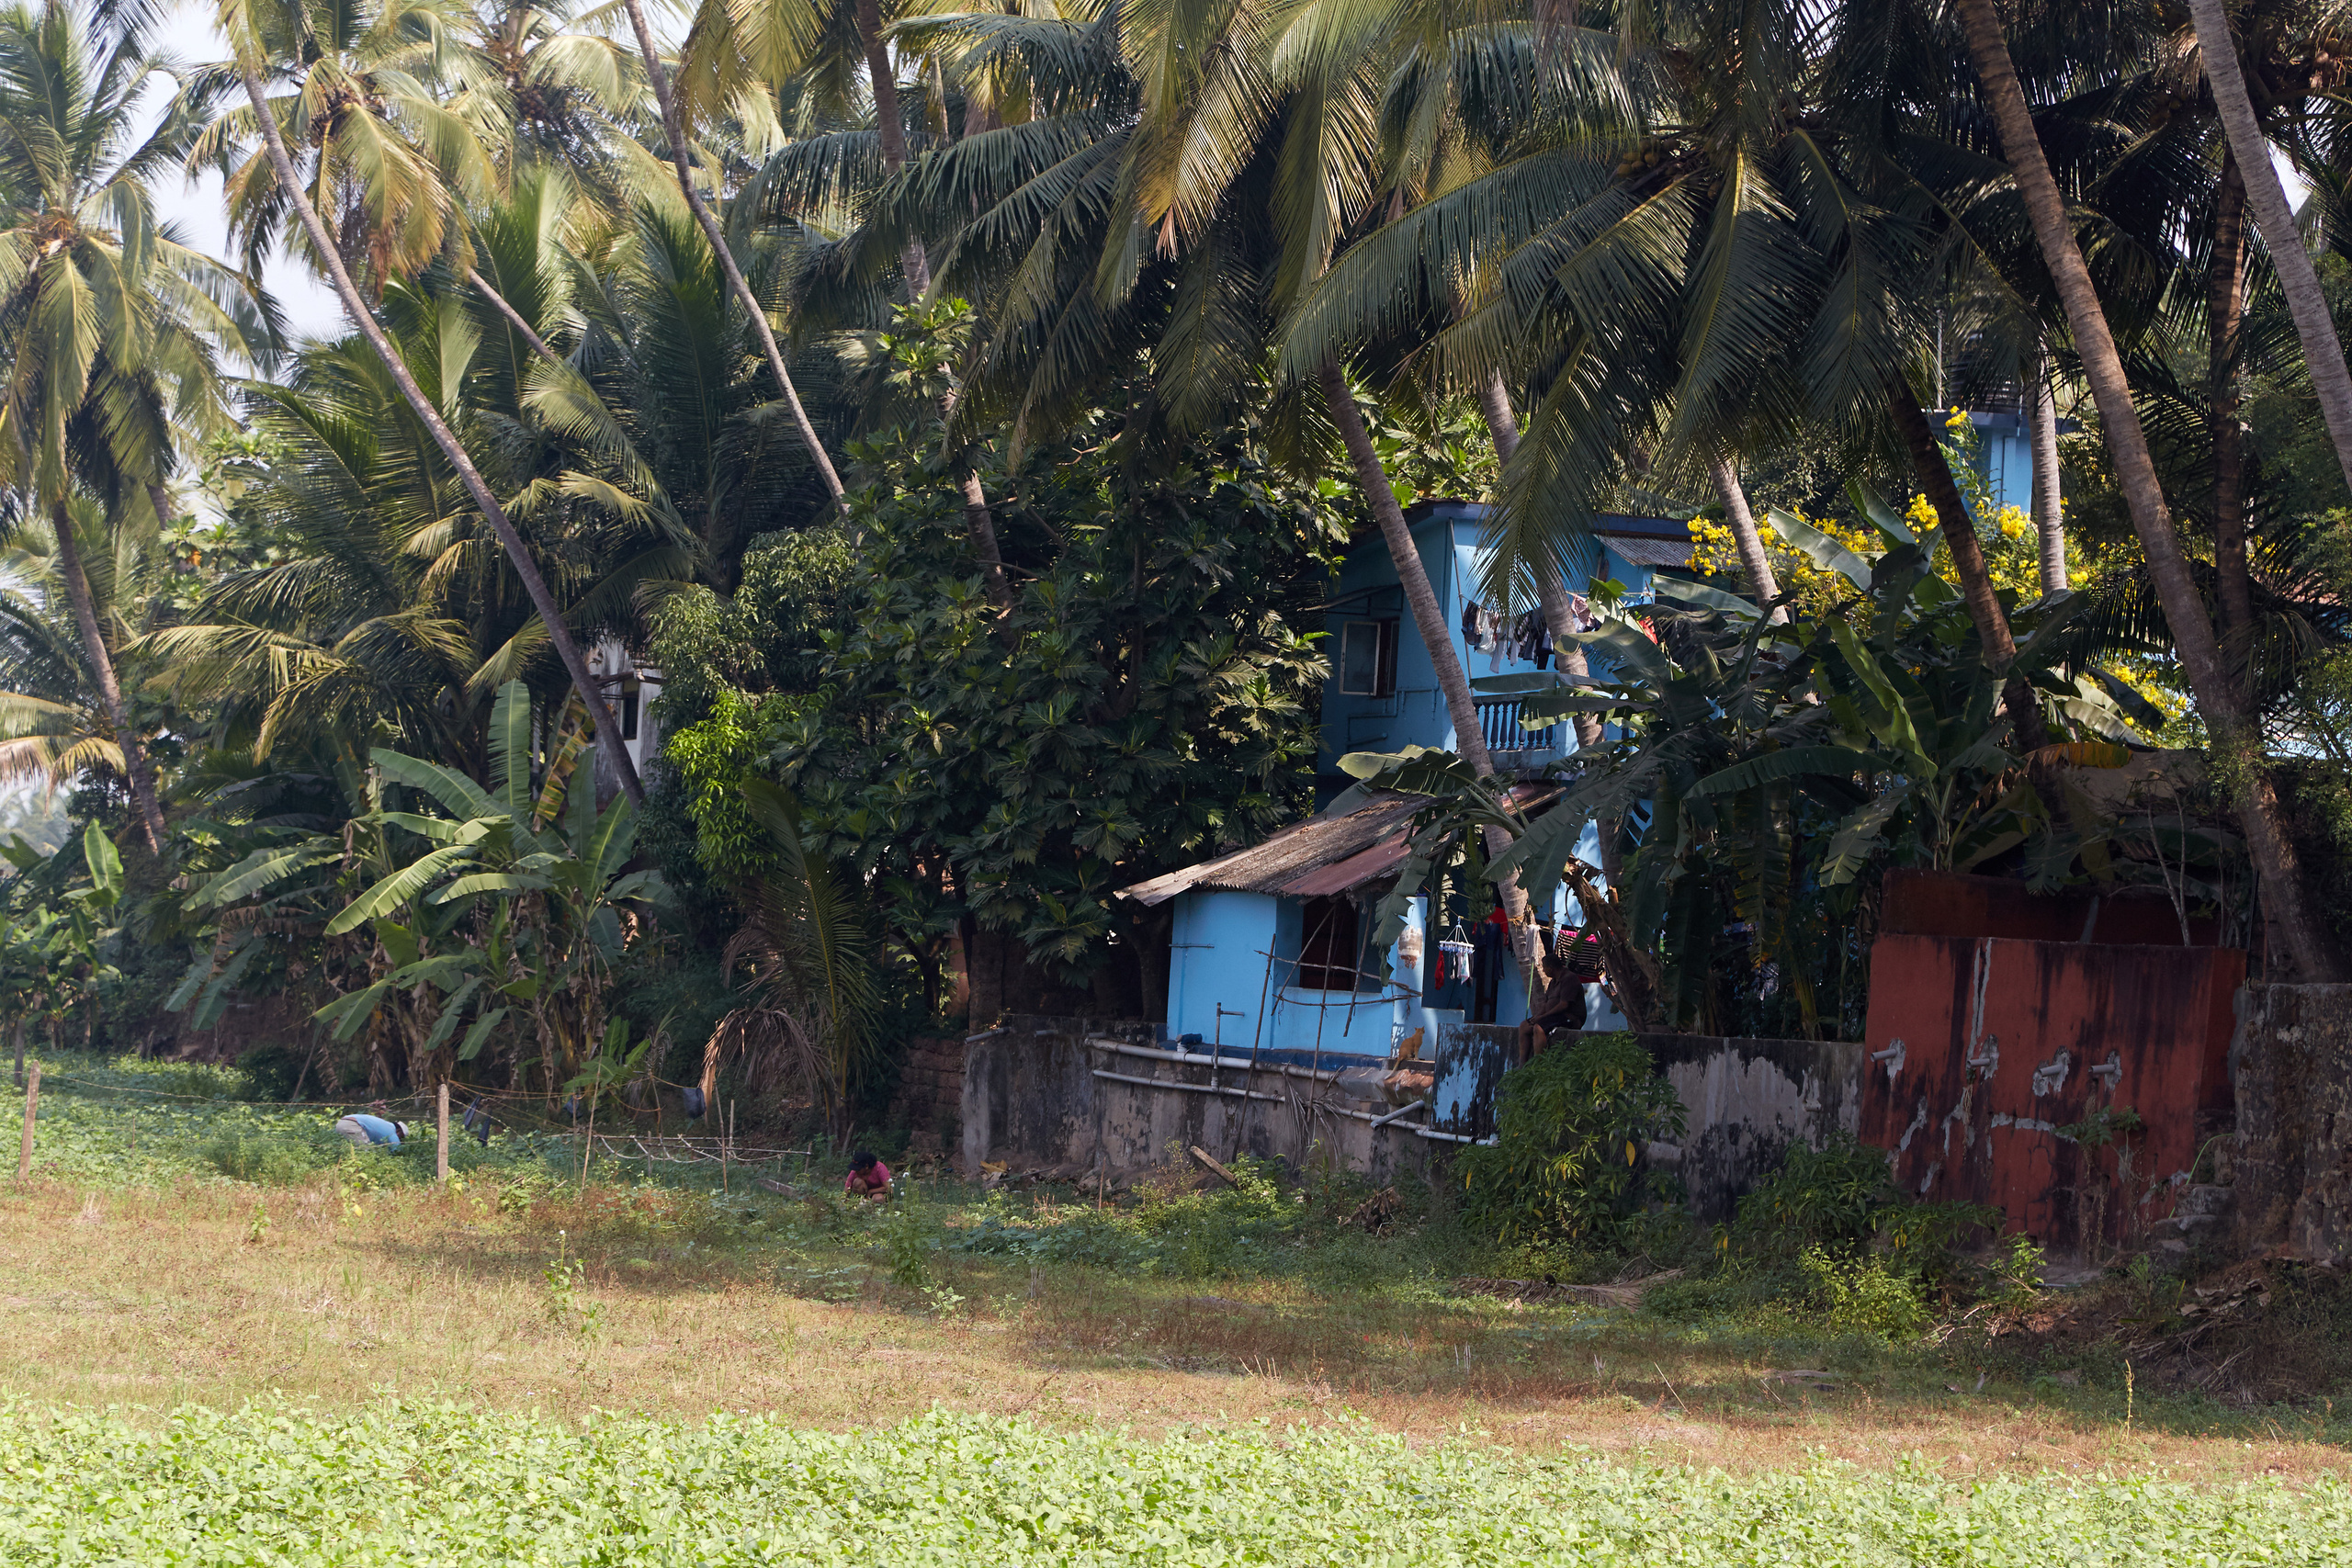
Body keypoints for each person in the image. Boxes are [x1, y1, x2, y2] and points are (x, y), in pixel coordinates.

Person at [1516, 925, 1605, 1066]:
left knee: (1538, 1028)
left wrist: (1543, 1017)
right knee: (1524, 1026)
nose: (1544, 971)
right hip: (1553, 1016)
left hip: (1570, 1017)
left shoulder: (1569, 979)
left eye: (1544, 968)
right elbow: (1546, 1003)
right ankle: (1523, 1063)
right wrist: (1538, 1015)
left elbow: (1564, 1005)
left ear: (1551, 968)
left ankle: (1539, 1064)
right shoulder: (1553, 982)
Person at [334, 1111, 408, 1149]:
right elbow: (397, 1151)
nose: (400, 1139)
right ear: (398, 1131)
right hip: (353, 1125)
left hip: (341, 1122)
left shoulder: (385, 1124)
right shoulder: (392, 1132)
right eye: (401, 1137)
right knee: (364, 1151)